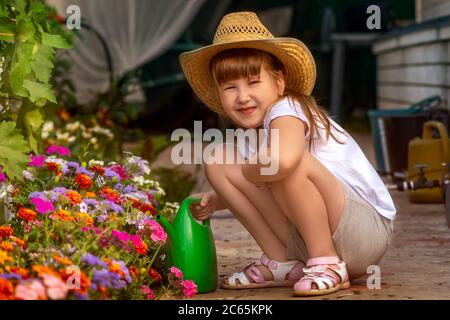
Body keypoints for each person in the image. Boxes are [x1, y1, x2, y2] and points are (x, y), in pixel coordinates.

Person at [179, 11, 396, 297]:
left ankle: (326, 262)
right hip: (315, 234)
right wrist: (218, 200)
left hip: (364, 232)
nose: (242, 96)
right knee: (218, 161)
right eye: (230, 88)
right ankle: (282, 262)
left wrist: (250, 171)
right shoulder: (250, 137)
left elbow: (283, 162)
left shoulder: (287, 109)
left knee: (280, 163)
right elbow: (255, 180)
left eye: (253, 82)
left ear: (279, 82)